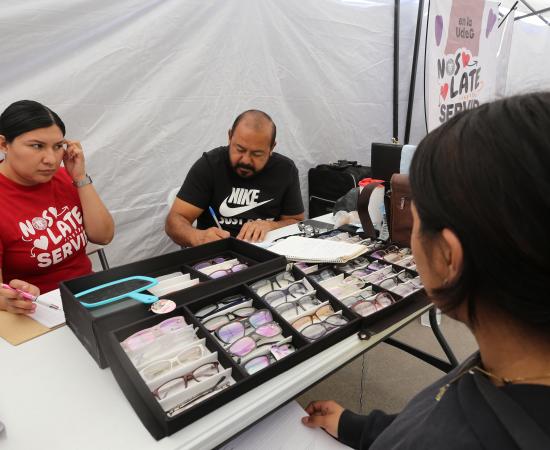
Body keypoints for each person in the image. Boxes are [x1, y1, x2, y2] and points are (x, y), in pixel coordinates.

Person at [301, 92, 550, 449]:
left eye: (415, 221)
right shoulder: (514, 365)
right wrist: (360, 428)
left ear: (448, 258)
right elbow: (432, 413)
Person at [0, 100, 114, 315]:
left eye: (58, 146)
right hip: (39, 311)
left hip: (90, 297)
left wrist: (80, 178)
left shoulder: (64, 177)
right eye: (37, 146)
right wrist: (8, 300)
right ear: (4, 144)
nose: (51, 159)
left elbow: (104, 236)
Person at [165, 110, 304, 246]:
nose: (246, 160)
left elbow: (296, 222)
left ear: (272, 147)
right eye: (240, 149)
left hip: (268, 252)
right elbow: (174, 220)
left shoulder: (285, 170)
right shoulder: (210, 165)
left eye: (257, 154)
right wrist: (197, 237)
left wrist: (272, 226)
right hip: (218, 254)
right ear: (230, 136)